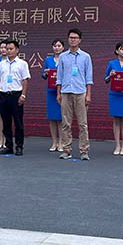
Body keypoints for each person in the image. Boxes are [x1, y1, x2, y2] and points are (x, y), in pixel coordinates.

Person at [56, 28, 94, 160]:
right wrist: (58, 93)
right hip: (65, 92)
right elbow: (59, 76)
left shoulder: (86, 56)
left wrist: (88, 95)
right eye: (71, 38)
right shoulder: (63, 56)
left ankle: (84, 150)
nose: (73, 40)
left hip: (80, 92)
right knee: (66, 123)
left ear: (80, 40)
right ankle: (66, 149)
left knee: (83, 124)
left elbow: (89, 77)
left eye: (75, 38)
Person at [0, 40, 30, 156]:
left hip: (16, 95)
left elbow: (25, 80)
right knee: (6, 122)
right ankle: (8, 146)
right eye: (7, 49)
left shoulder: (22, 64)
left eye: (11, 49)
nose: (8, 51)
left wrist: (23, 95)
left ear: (17, 50)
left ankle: (19, 147)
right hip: (3, 95)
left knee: (18, 122)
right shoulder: (1, 64)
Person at [104, 42, 123, 155]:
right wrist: (110, 75)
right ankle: (117, 145)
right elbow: (106, 79)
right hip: (115, 94)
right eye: (122, 49)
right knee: (116, 120)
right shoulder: (112, 63)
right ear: (117, 51)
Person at [42, 38, 64, 151]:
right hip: (51, 91)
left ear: (63, 48)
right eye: (55, 46)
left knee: (60, 118)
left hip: (63, 92)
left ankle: (61, 142)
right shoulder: (48, 60)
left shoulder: (65, 59)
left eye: (59, 46)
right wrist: (46, 73)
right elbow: (43, 75)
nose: (57, 48)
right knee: (52, 118)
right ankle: (54, 142)